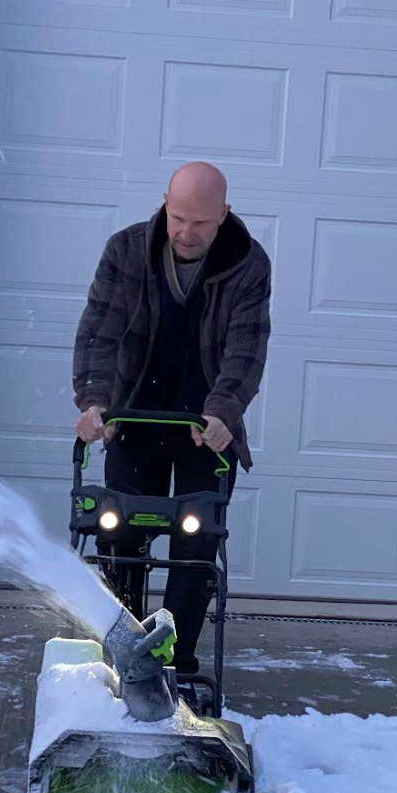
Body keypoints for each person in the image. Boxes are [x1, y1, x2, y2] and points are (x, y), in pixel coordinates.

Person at [72, 161, 271, 675]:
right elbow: (98, 332)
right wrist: (95, 402)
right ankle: (125, 648)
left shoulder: (248, 265)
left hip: (205, 431)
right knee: (118, 535)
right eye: (178, 218)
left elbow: (244, 353)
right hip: (134, 420)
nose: (185, 232)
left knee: (195, 543)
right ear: (164, 203)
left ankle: (173, 661)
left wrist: (223, 412)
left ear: (224, 214)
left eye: (200, 223)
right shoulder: (125, 251)